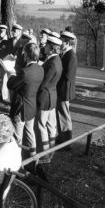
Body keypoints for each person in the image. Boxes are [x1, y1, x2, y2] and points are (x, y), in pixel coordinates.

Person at [7, 42, 44, 159]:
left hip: (21, 108)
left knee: (18, 137)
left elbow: (11, 85)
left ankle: (17, 162)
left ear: (27, 54)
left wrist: (11, 75)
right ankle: (33, 157)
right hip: (32, 106)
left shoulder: (25, 72)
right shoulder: (40, 69)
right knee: (30, 133)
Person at [35, 35, 63, 163]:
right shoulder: (56, 59)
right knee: (52, 126)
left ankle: (46, 156)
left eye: (46, 46)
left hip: (45, 97)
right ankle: (51, 151)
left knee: (42, 125)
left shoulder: (52, 63)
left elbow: (43, 83)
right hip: (52, 95)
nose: (44, 47)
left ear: (51, 48)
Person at [56, 31, 78, 149]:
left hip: (64, 90)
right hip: (60, 89)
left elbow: (68, 75)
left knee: (64, 116)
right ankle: (61, 137)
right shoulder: (64, 53)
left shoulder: (71, 55)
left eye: (61, 42)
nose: (60, 44)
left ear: (67, 42)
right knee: (60, 115)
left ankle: (67, 142)